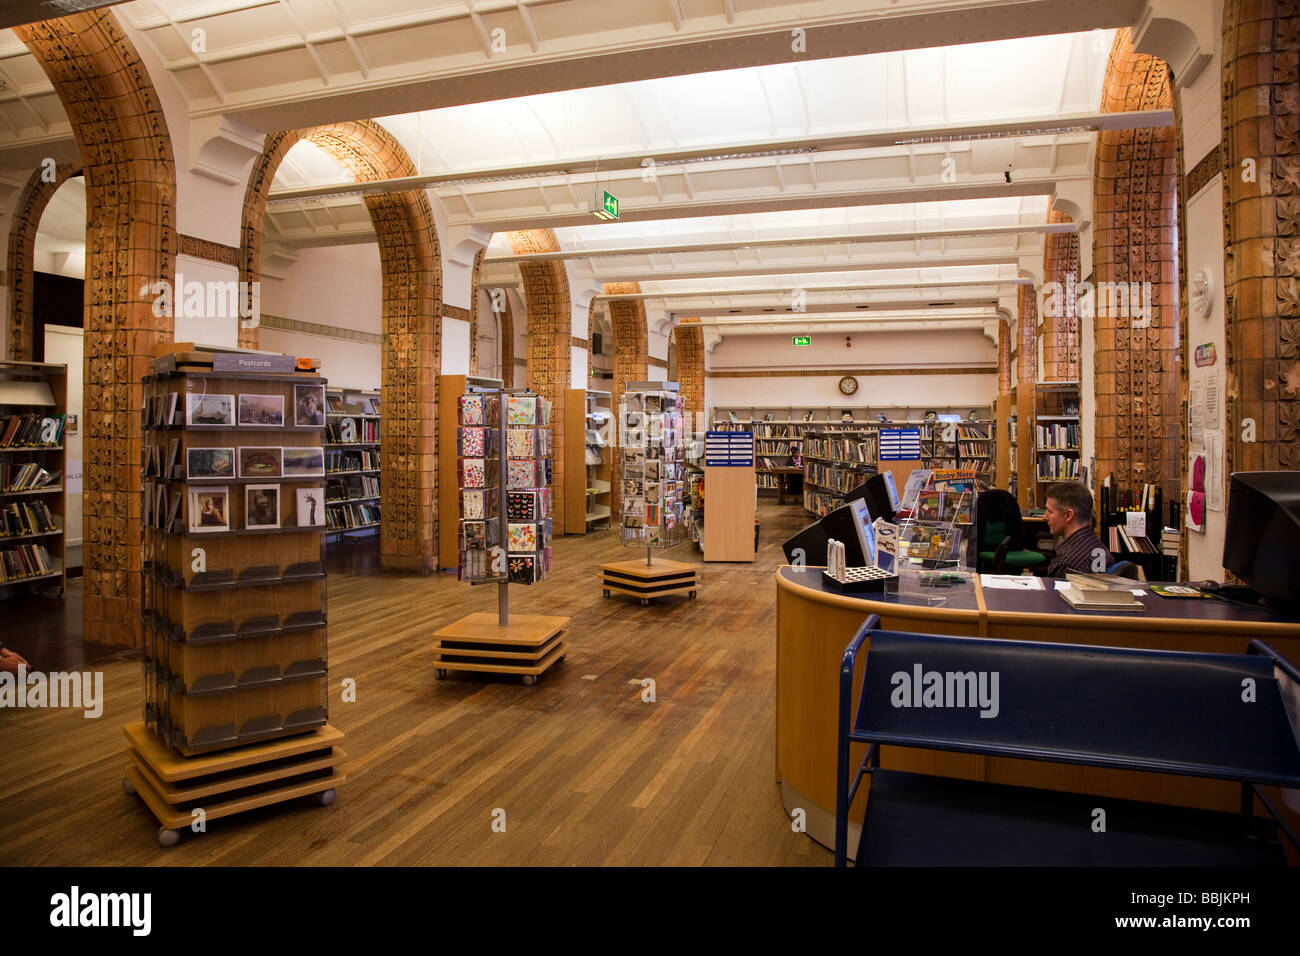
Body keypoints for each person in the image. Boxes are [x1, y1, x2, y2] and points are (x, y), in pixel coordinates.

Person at [1041, 481, 1113, 576]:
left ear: (1068, 515)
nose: (1044, 517)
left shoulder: (1066, 564)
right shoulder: (1100, 550)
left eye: (1050, 511)